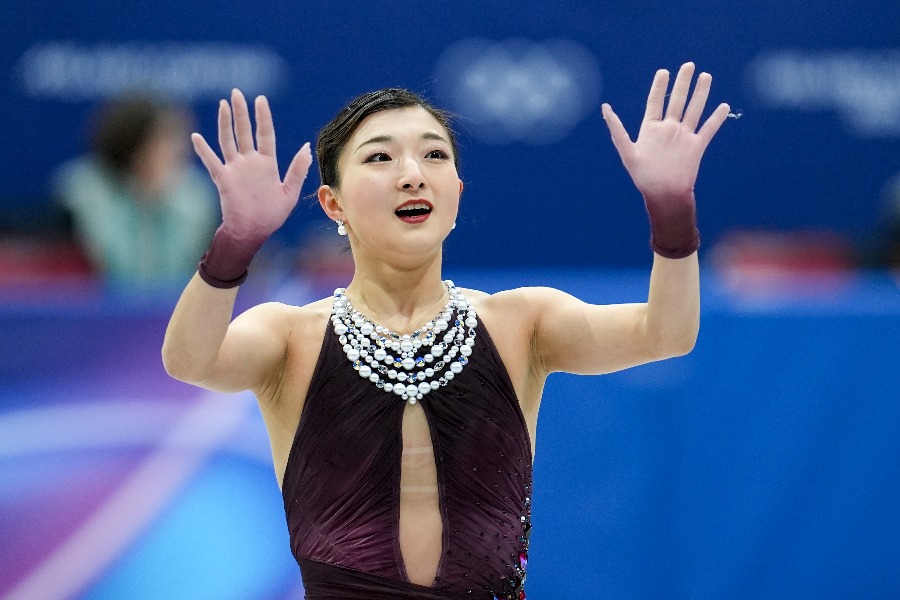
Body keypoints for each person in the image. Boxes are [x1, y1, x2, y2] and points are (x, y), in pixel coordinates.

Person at [162, 62, 729, 599]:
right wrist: (236, 240)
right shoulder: (291, 336)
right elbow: (189, 360)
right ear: (332, 202)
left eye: (434, 155)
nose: (412, 175)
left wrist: (671, 207)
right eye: (380, 158)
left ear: (456, 193)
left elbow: (666, 333)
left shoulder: (520, 323)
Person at [53, 93, 218, 283]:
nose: (177, 150)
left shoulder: (197, 196)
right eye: (164, 139)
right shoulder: (82, 191)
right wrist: (145, 199)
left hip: (174, 308)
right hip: (95, 310)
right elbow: (117, 268)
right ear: (134, 144)